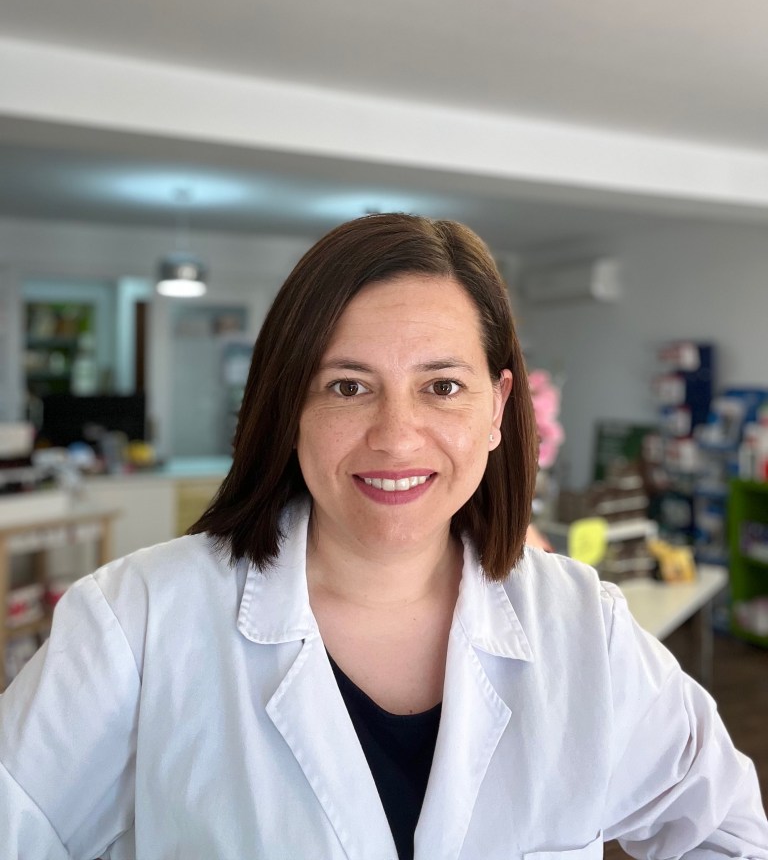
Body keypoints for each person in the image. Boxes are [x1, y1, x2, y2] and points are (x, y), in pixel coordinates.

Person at [1, 213, 766, 860]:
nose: (396, 437)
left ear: (497, 408)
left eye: (443, 386)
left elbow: (726, 831)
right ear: (289, 407)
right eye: (348, 386)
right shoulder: (136, 621)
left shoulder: (583, 625)